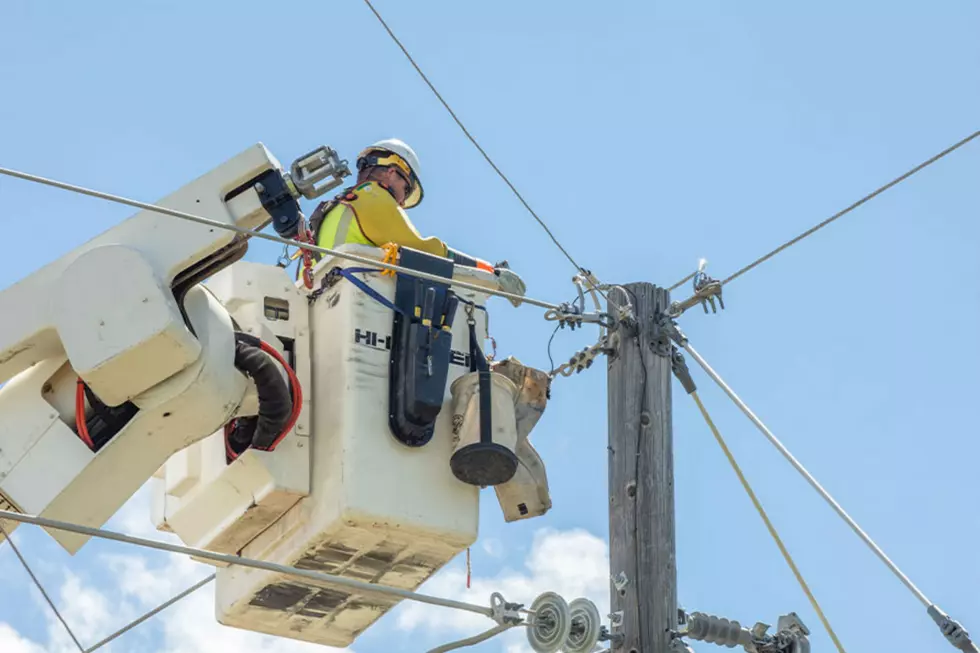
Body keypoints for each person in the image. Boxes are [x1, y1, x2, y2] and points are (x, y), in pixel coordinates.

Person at [301, 139, 526, 305]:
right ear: (391, 172)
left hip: (325, 304)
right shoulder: (372, 196)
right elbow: (426, 251)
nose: (401, 201)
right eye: (405, 189)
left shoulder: (334, 208)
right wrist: (491, 273)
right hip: (355, 303)